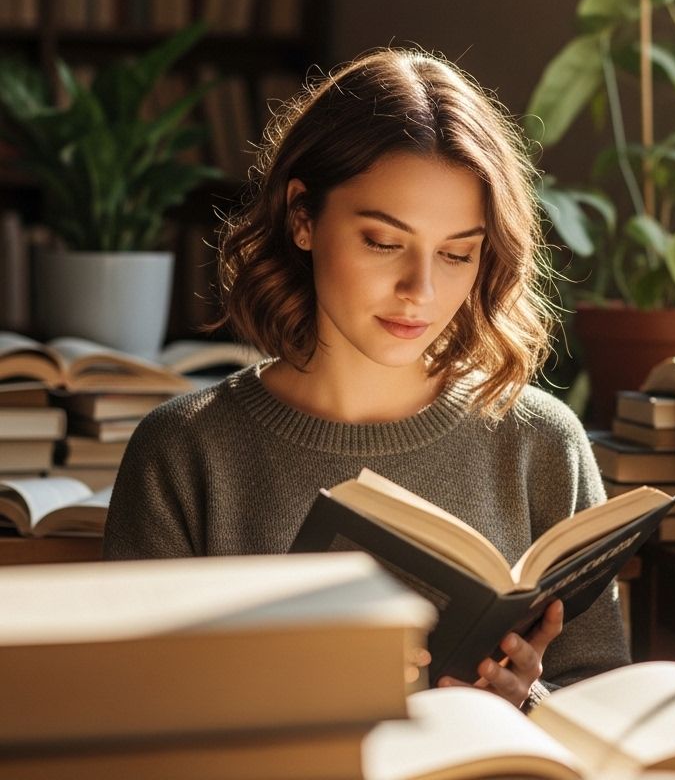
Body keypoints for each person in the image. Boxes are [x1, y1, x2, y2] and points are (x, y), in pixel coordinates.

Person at [104, 48, 630, 710]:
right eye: (384, 243)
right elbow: (135, 719)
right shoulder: (183, 453)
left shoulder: (540, 444)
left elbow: (604, 704)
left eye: (457, 253)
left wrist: (528, 700)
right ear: (303, 217)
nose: (422, 289)